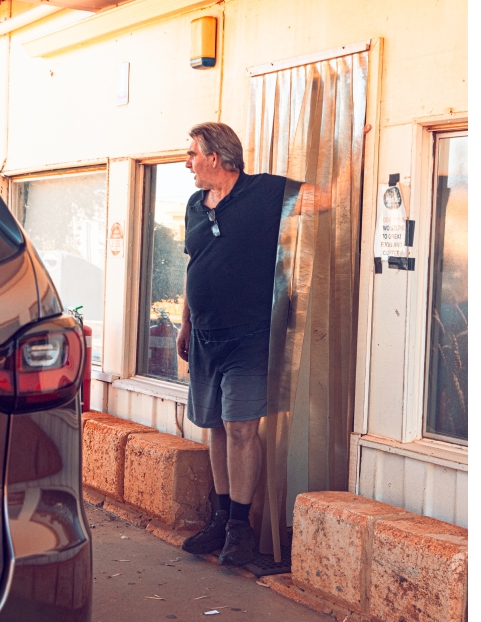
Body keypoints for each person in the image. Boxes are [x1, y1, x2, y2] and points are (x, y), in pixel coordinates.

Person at [176, 122, 287, 565]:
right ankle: (221, 520)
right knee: (216, 427)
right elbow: (193, 267)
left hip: (248, 338)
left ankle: (241, 529)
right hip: (203, 337)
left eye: (192, 154)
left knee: (242, 427)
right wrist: (185, 324)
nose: (188, 162)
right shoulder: (193, 205)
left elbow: (325, 196)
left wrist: (355, 142)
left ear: (215, 158)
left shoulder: (263, 192)